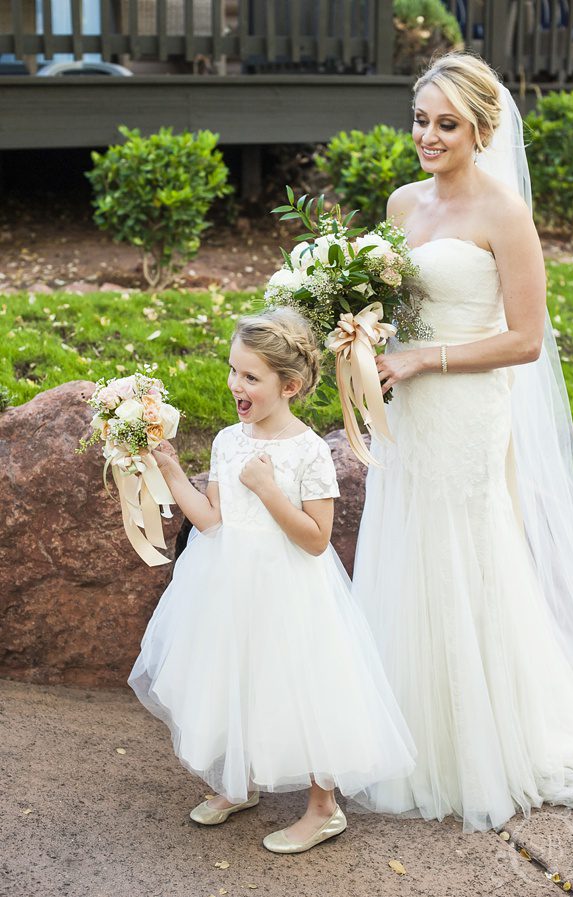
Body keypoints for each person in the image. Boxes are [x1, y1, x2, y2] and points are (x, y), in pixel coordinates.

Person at [350, 52, 573, 832]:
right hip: (408, 407)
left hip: (467, 401)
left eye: (446, 124)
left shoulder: (504, 214)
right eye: (421, 120)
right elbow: (393, 310)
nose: (428, 136)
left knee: (464, 546)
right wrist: (360, 339)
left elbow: (526, 341)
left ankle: (477, 742)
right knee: (406, 541)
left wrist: (426, 357)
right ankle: (403, 732)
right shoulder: (400, 206)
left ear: (482, 130)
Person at [129, 308, 416, 854]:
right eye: (234, 371)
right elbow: (213, 522)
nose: (236, 385)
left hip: (291, 590)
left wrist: (267, 489)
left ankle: (323, 808)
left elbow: (314, 538)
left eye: (251, 377)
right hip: (228, 584)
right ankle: (239, 782)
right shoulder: (226, 440)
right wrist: (169, 470)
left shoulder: (308, 451)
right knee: (238, 677)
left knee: (305, 690)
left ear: (291, 385)